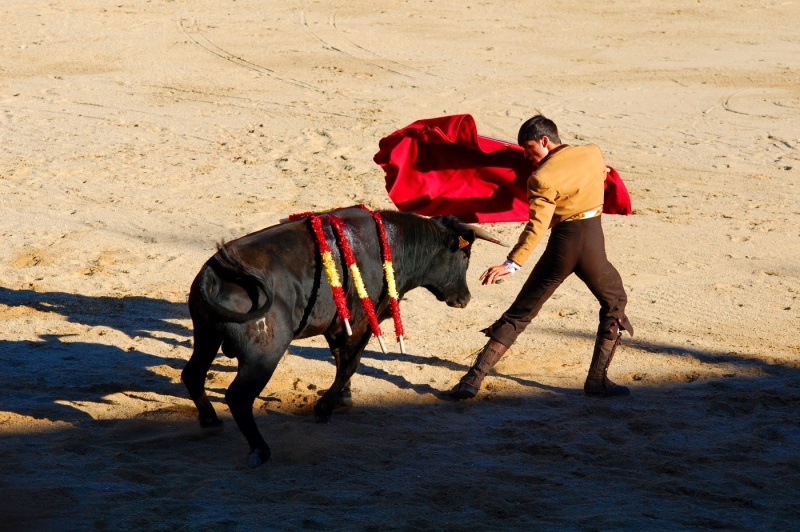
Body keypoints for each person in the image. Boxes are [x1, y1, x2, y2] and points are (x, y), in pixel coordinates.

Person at [450, 114, 634, 400]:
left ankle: (472, 380)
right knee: (615, 302)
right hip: (593, 244)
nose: (526, 156)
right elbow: (604, 175)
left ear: (545, 141)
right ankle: (597, 382)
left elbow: (536, 227)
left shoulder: (541, 178)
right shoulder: (593, 153)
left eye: (529, 148)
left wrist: (511, 264)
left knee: (522, 311)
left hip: (563, 246)